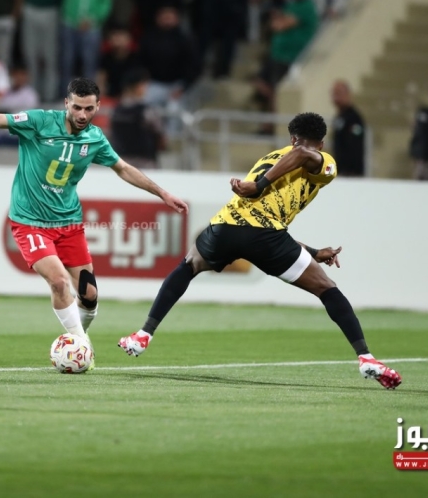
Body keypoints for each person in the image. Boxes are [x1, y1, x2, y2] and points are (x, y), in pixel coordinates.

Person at [118, 112, 403, 390]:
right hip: (264, 235)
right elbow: (301, 157)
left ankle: (143, 334)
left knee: (189, 265)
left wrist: (314, 251)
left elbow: (262, 219)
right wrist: (259, 185)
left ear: (290, 137)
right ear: (322, 143)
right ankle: (366, 358)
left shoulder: (272, 157)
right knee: (327, 288)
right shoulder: (323, 160)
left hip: (227, 226)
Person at [0, 78, 187, 348]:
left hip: (69, 224)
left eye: (89, 109)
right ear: (66, 103)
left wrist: (162, 193)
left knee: (89, 295)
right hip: (30, 222)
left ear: (98, 106)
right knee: (59, 281)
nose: (82, 115)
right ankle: (81, 346)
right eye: (77, 107)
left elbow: (122, 168)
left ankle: (77, 345)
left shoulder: (94, 138)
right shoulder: (39, 121)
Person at [111, 67, 164, 169]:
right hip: (145, 162)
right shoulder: (146, 111)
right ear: (138, 86)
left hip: (122, 161)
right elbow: (160, 136)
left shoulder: (116, 110)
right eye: (144, 84)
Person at [331, 79, 365, 177]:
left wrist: (350, 171)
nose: (336, 97)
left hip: (351, 174)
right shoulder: (339, 117)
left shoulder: (354, 118)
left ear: (348, 94)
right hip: (340, 171)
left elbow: (355, 147)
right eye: (334, 93)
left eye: (339, 93)